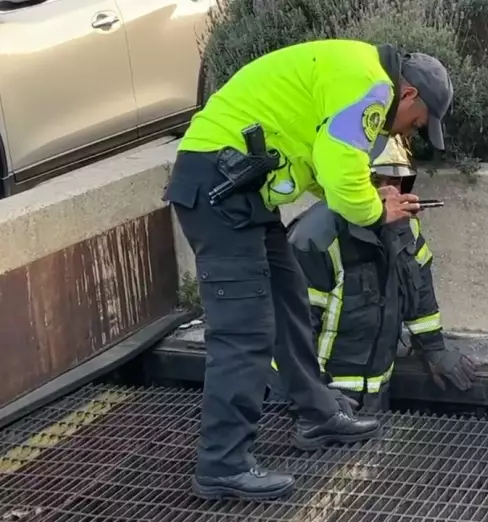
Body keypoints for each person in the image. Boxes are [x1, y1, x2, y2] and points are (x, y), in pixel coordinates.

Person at [161, 39, 454, 501]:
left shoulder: (356, 70)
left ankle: (318, 414)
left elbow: (326, 165)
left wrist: (369, 195)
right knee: (244, 331)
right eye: (416, 123)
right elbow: (340, 170)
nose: (410, 132)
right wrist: (376, 212)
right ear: (410, 93)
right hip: (219, 187)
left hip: (240, 188)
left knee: (289, 299)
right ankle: (223, 464)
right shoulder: (373, 85)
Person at [267, 134, 477, 412]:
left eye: (397, 182)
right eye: (378, 181)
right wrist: (314, 395)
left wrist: (434, 348)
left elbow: (421, 295)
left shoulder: (405, 230)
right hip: (313, 399)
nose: (391, 192)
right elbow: (291, 331)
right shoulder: (315, 239)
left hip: (375, 396)